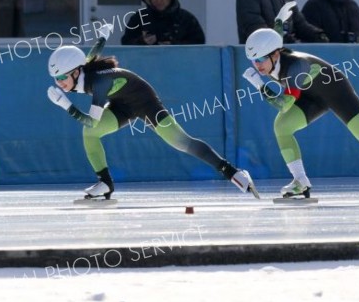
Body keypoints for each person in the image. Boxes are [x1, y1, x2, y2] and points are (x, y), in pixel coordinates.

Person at [47, 25, 258, 200]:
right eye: (57, 80)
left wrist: (66, 105)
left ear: (76, 72)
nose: (60, 84)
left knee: (182, 142)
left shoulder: (99, 82)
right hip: (121, 103)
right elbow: (91, 55)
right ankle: (105, 183)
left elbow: (91, 120)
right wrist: (102, 36)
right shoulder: (81, 69)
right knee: (89, 135)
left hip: (145, 102)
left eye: (62, 78)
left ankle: (233, 172)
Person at [241, 28, 359, 199]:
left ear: (275, 54)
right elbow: (275, 35)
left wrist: (259, 85)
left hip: (337, 92)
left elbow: (283, 105)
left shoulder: (296, 67)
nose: (257, 65)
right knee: (281, 126)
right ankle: (300, 181)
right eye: (253, 60)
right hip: (310, 96)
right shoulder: (274, 56)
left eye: (260, 60)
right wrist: (279, 21)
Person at [121, 0, 205, 45]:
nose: (158, 0)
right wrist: (142, 42)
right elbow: (126, 43)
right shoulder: (139, 18)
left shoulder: (186, 19)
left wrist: (174, 45)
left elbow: (199, 44)